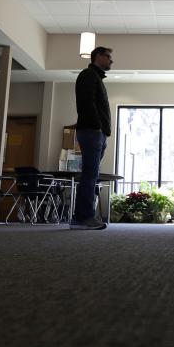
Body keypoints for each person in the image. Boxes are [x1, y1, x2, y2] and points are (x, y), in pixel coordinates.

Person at [71, 46, 113, 230]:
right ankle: (83, 218)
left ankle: (83, 217)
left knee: (91, 175)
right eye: (108, 57)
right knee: (90, 175)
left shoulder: (95, 77)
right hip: (91, 131)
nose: (111, 60)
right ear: (98, 57)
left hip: (95, 132)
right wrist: (97, 126)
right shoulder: (88, 75)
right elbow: (86, 103)